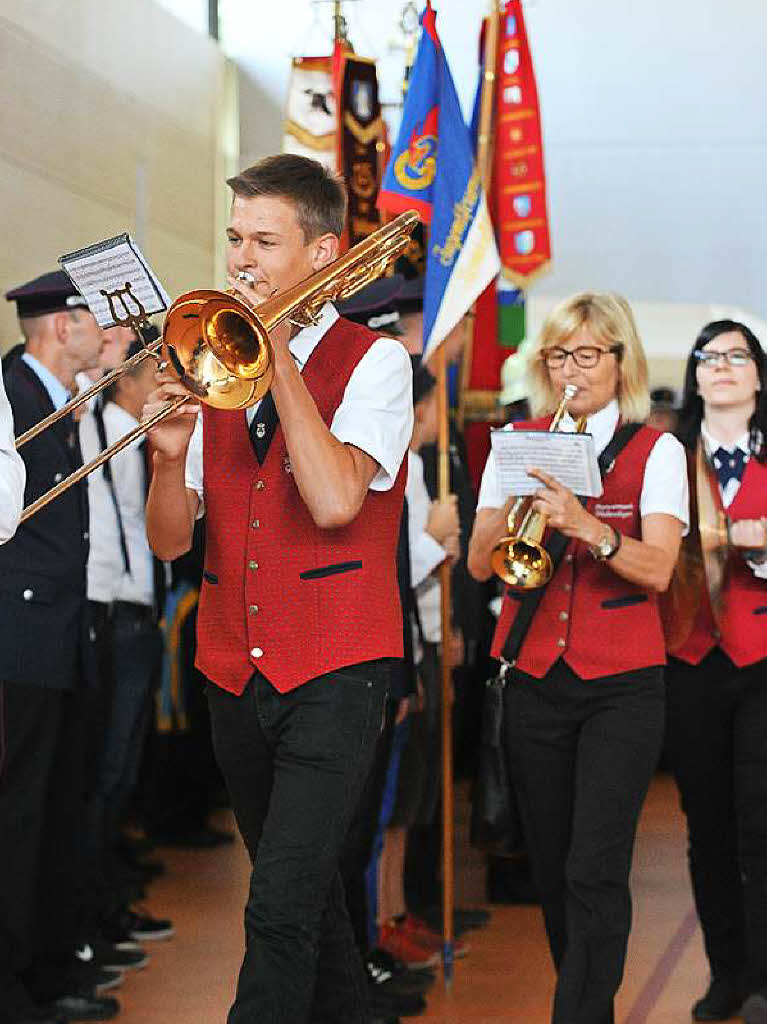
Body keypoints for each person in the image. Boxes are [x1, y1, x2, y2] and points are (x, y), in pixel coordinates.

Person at [143, 153, 413, 1024]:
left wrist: (278, 352)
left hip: (336, 672)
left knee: (278, 908)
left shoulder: (375, 365)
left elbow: (336, 499)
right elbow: (169, 541)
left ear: (324, 252)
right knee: (307, 900)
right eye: (234, 240)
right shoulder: (214, 369)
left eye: (263, 240)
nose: (240, 261)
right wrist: (170, 455)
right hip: (230, 670)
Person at [467, 291, 689, 1024]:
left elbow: (657, 569)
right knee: (556, 864)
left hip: (621, 686)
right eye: (559, 354)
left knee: (596, 868)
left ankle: (580, 1015)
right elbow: (478, 567)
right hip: (533, 678)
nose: (571, 369)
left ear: (618, 360)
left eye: (587, 353)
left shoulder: (655, 450)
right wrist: (503, 505)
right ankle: (584, 1001)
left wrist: (587, 528)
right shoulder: (517, 439)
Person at [0, 271, 119, 1023]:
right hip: (19, 634)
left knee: (51, 809)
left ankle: (44, 964)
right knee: (15, 815)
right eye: (92, 321)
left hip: (58, 631)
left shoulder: (60, 397)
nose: (102, 335)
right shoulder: (13, 392)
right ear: (60, 325)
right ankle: (11, 984)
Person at [664, 320, 767, 1024]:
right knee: (705, 828)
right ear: (694, 377)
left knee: (760, 827)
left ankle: (763, 977)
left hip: (762, 663)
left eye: (737, 356)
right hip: (690, 661)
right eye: (709, 357)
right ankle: (724, 972)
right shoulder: (666, 458)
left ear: (759, 376)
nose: (722, 367)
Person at [79, 335, 171, 960]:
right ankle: (94, 913)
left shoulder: (132, 430)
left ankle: (109, 898)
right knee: (105, 774)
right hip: (115, 614)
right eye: (157, 366)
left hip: (137, 609)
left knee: (122, 773)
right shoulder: (110, 427)